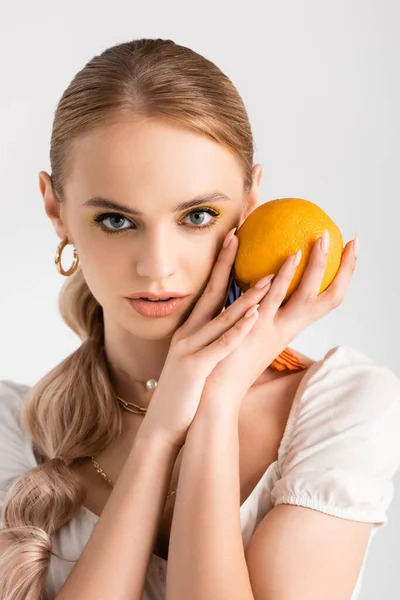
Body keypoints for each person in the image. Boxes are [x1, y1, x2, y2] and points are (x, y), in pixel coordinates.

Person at [1, 38, 399, 600]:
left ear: (251, 201)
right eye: (116, 220)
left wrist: (217, 399)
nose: (157, 267)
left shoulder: (342, 407)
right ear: (55, 209)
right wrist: (159, 433)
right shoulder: (12, 432)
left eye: (197, 215)